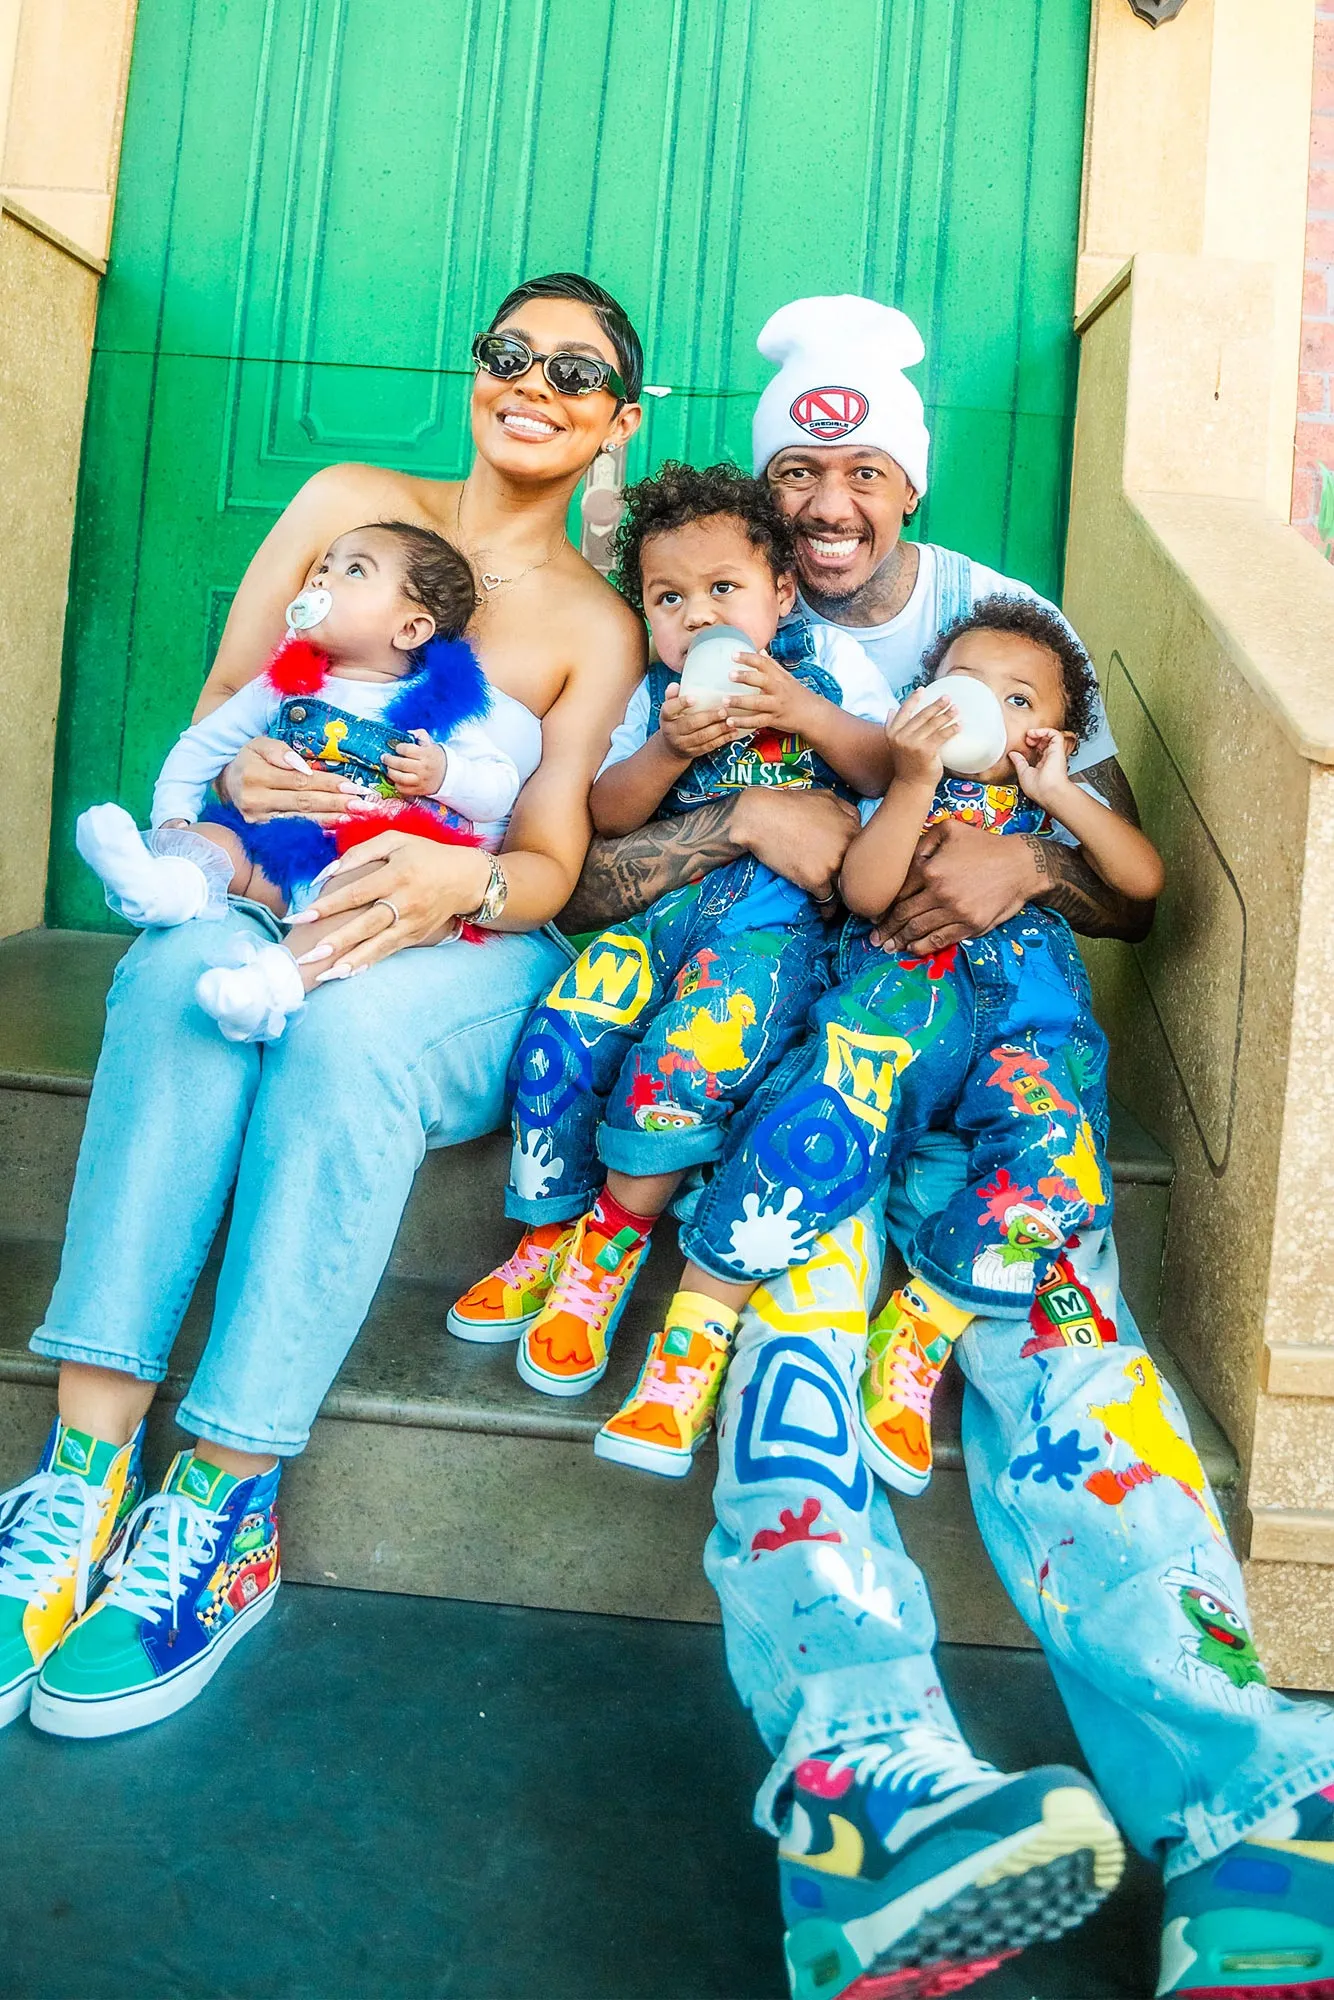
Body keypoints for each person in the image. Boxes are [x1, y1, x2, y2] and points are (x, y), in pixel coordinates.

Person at [561, 297, 1334, 1996]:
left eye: (853, 470)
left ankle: (1249, 1801)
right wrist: (736, 817)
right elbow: (578, 876)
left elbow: (1123, 874)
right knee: (794, 1363)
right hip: (799, 1085)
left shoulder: (1001, 616)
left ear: (901, 486)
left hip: (994, 1075)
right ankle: (867, 1791)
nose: (823, 504)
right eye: (794, 472)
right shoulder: (705, 624)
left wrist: (1027, 866)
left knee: (1074, 1377)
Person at [0, 271, 648, 1740]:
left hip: (466, 947)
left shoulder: (591, 624)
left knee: (345, 1039)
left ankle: (221, 1513)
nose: (533, 383)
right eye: (509, 352)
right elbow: (226, 712)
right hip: (273, 883)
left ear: (615, 419)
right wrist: (234, 791)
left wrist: (448, 887)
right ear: (476, 369)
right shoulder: (349, 500)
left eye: (575, 370)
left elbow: (548, 862)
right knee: (175, 976)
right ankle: (79, 1483)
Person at [449, 462, 892, 1478]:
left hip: (762, 940)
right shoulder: (646, 696)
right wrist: (662, 751)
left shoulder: (825, 669)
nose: (696, 617)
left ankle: (609, 1248)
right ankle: (542, 1235)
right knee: (563, 1030)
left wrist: (799, 710)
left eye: (722, 590)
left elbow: (877, 768)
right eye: (668, 599)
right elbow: (602, 813)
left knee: (681, 1059)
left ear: (781, 594)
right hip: (656, 921)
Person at [674, 593, 1164, 1497]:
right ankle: (696, 1328)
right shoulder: (902, 786)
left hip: (1027, 1026)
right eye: (964, 686)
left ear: (1056, 734)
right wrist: (908, 778)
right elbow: (865, 894)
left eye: (1020, 701)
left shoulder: (1050, 812)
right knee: (817, 1108)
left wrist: (1059, 794)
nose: (988, 708)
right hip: (900, 1007)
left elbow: (1142, 881)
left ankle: (926, 1320)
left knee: (1058, 1158)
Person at [75, 521, 531, 1045]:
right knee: (216, 844)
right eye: (324, 566)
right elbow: (202, 745)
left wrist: (445, 772)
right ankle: (164, 886)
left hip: (358, 867)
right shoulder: (279, 690)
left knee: (365, 894)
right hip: (277, 857)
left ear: (410, 630)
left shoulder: (441, 707)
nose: (321, 580)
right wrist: (173, 819)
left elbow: (499, 787)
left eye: (354, 571)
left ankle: (274, 985)